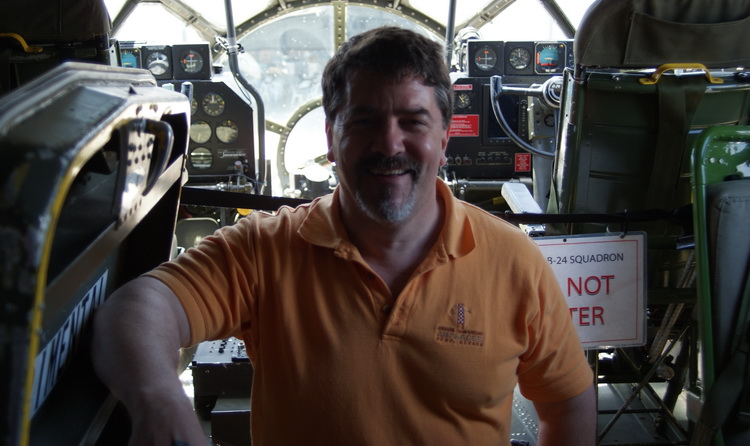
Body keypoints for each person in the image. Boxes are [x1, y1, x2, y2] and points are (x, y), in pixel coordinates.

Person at [92, 26, 596, 445]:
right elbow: (139, 307)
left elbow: (567, 401)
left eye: (413, 121)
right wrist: (159, 399)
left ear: (444, 139)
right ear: (331, 139)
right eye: (365, 120)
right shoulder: (264, 250)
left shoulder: (514, 262)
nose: (389, 143)